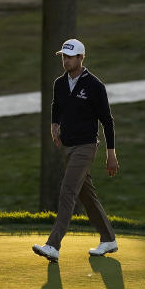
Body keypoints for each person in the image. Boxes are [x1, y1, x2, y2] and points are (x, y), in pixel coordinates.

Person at [33, 38, 120, 263]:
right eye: (63, 56)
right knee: (86, 194)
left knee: (67, 191)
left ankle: (53, 245)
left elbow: (107, 121)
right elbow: (56, 105)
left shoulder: (94, 86)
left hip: (86, 146)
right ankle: (108, 238)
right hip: (68, 147)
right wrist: (54, 125)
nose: (66, 60)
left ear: (81, 58)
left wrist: (111, 153)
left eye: (70, 57)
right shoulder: (59, 84)